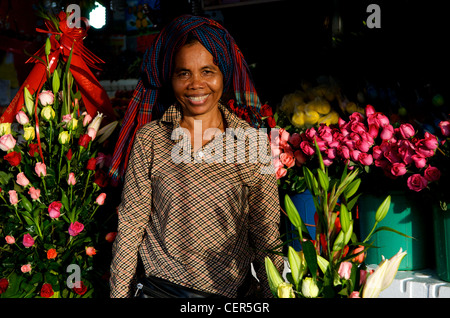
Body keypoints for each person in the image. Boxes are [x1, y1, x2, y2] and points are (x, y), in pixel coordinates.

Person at [109, 14, 284, 298]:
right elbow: (130, 226)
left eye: (207, 71)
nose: (195, 84)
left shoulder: (252, 143)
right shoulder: (151, 138)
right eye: (183, 73)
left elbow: (265, 232)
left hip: (229, 294)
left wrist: (274, 293)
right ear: (171, 78)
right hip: (161, 291)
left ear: (223, 76)